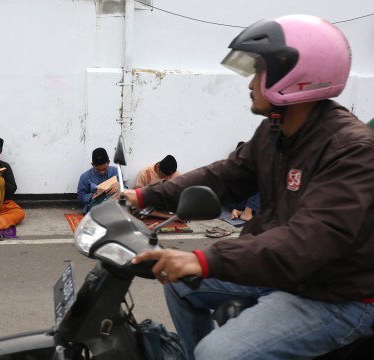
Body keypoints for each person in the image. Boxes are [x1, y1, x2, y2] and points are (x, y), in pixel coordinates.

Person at [124, 15, 374, 359]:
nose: (251, 83)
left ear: (296, 77)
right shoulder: (275, 131)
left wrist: (206, 259)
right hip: (285, 271)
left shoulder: (351, 149)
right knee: (178, 283)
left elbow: (311, 240)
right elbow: (224, 175)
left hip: (334, 293)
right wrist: (143, 196)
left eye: (260, 72)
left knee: (218, 352)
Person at [134, 155, 181, 222]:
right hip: (150, 205)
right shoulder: (144, 173)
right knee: (137, 207)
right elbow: (136, 194)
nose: (167, 178)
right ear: (158, 167)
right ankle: (167, 217)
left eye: (170, 176)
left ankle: (163, 215)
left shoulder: (176, 174)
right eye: (164, 176)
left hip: (166, 205)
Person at [77, 147, 119, 214]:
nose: (102, 172)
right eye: (98, 170)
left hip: (113, 200)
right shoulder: (85, 177)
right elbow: (81, 197)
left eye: (105, 169)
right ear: (93, 165)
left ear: (108, 162)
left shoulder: (115, 171)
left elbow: (124, 191)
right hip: (96, 203)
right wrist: (94, 195)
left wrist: (119, 184)